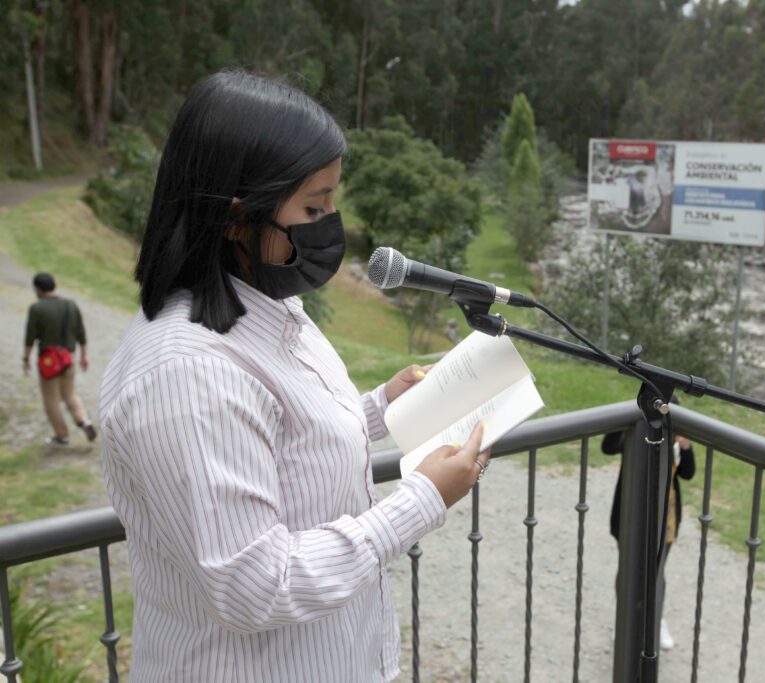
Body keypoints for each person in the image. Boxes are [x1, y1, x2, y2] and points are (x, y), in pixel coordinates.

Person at [99, 70, 490, 682]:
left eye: (334, 199)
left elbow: (278, 442)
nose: (331, 222)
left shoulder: (267, 304)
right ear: (236, 216)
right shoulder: (187, 375)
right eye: (314, 206)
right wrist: (421, 501)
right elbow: (256, 585)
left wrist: (383, 405)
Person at [603, 411, 696, 651]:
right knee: (627, 568)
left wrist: (684, 445)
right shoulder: (637, 433)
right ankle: (622, 619)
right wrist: (624, 421)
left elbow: (688, 473)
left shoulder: (676, 440)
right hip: (631, 509)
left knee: (657, 569)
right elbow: (608, 446)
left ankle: (655, 620)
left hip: (667, 513)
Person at [22, 272, 97, 446]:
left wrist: (25, 359)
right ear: (54, 286)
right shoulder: (71, 305)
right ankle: (84, 421)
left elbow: (30, 337)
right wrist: (84, 356)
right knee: (70, 394)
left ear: (37, 289)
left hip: (48, 361)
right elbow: (81, 333)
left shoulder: (37, 308)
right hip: (68, 358)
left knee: (51, 399)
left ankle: (62, 436)